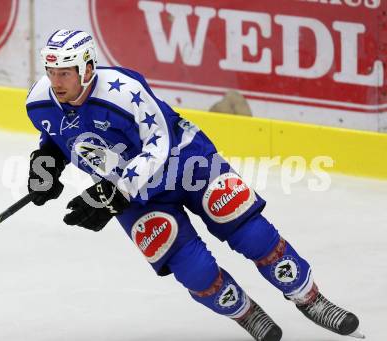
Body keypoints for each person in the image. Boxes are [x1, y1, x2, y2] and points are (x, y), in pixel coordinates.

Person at [26, 29, 363, 341]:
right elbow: (56, 136)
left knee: (252, 233)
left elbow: (159, 141)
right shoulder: (39, 101)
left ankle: (309, 297)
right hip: (137, 197)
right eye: (52, 72)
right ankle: (247, 314)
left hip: (187, 162)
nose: (56, 81)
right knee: (195, 271)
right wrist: (45, 169)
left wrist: (119, 190)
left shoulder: (124, 89)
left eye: (65, 72)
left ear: (86, 68)